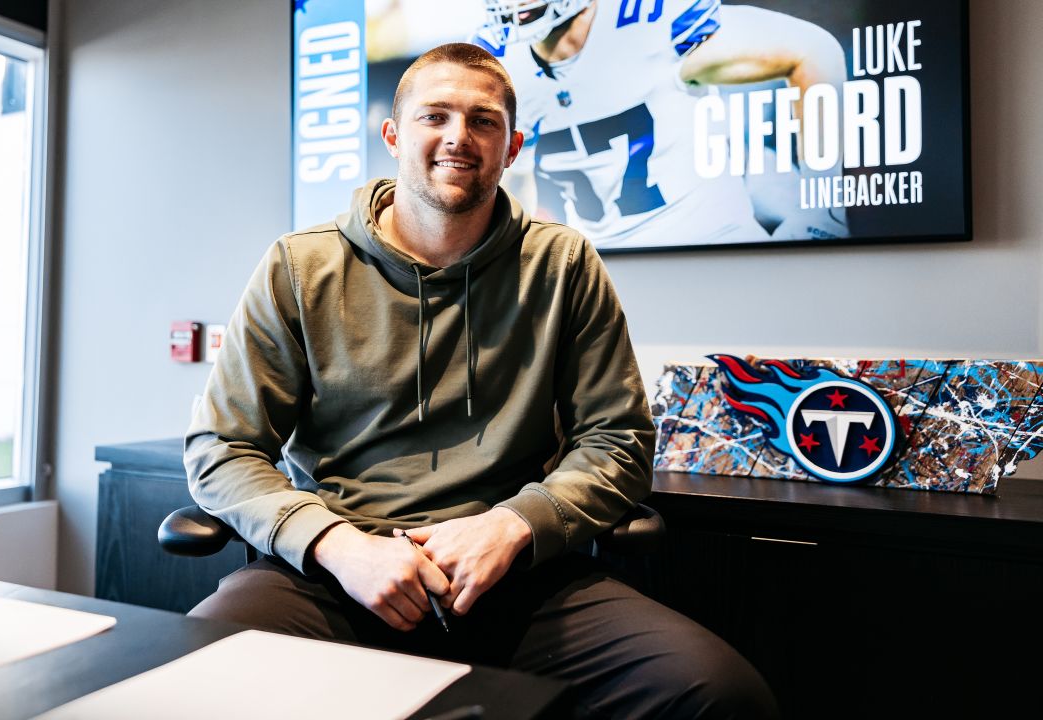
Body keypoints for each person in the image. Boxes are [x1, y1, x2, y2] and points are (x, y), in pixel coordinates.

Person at [185, 42, 777, 718]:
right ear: (393, 135)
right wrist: (339, 546)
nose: (457, 138)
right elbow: (222, 449)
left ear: (514, 145)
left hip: (517, 576)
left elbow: (618, 442)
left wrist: (512, 526)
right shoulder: (299, 266)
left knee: (719, 694)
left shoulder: (562, 264)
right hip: (341, 572)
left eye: (483, 121)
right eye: (434, 117)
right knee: (193, 676)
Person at [474, 0, 847, 250]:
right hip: (605, 279)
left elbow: (812, 51)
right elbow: (514, 189)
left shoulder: (651, 21)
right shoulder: (498, 59)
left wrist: (822, 213)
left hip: (720, 255)